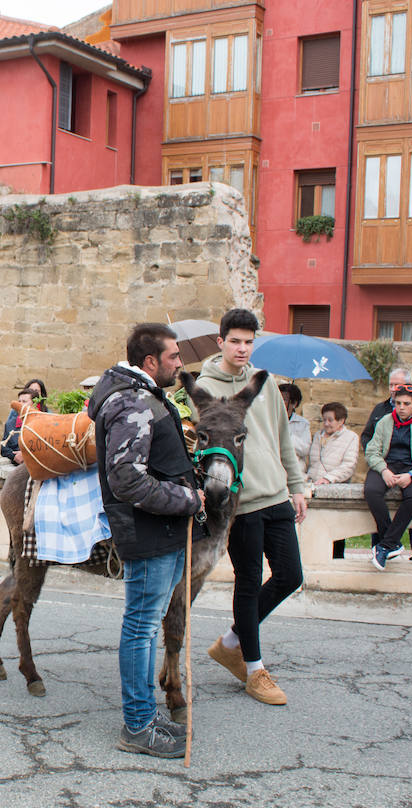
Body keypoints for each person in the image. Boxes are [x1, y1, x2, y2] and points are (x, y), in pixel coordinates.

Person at [88, 322, 200, 759]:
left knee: (147, 625)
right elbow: (127, 478)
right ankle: (137, 725)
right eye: (174, 356)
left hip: (165, 529)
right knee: (140, 627)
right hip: (150, 530)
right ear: (150, 361)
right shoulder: (130, 401)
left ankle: (146, 719)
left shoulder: (144, 395)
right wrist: (186, 498)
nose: (180, 362)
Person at [197, 308, 306, 706]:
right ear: (220, 341)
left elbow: (282, 438)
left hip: (276, 495)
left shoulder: (266, 382)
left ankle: (230, 642)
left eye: (248, 341)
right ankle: (254, 669)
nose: (242, 348)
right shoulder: (206, 388)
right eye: (235, 341)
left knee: (291, 575)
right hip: (240, 504)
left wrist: (296, 485)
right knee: (248, 581)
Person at [362, 368, 412, 561]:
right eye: (398, 403)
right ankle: (392, 542)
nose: (401, 407)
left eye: (406, 404)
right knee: (371, 490)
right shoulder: (385, 421)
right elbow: (372, 450)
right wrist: (384, 470)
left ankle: (386, 544)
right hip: (387, 465)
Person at [1, 384, 46, 464]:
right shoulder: (10, 424)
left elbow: (45, 448)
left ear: (35, 404)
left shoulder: (43, 423)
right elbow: (3, 449)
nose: (20, 404)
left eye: (24, 401)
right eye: (19, 401)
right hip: (15, 464)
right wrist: (14, 456)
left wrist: (25, 455)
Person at [279, 383, 311, 467]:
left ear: (294, 403)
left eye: (284, 400)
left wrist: (286, 434)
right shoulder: (269, 419)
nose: (279, 403)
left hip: (294, 466)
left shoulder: (302, 423)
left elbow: (305, 449)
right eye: (278, 399)